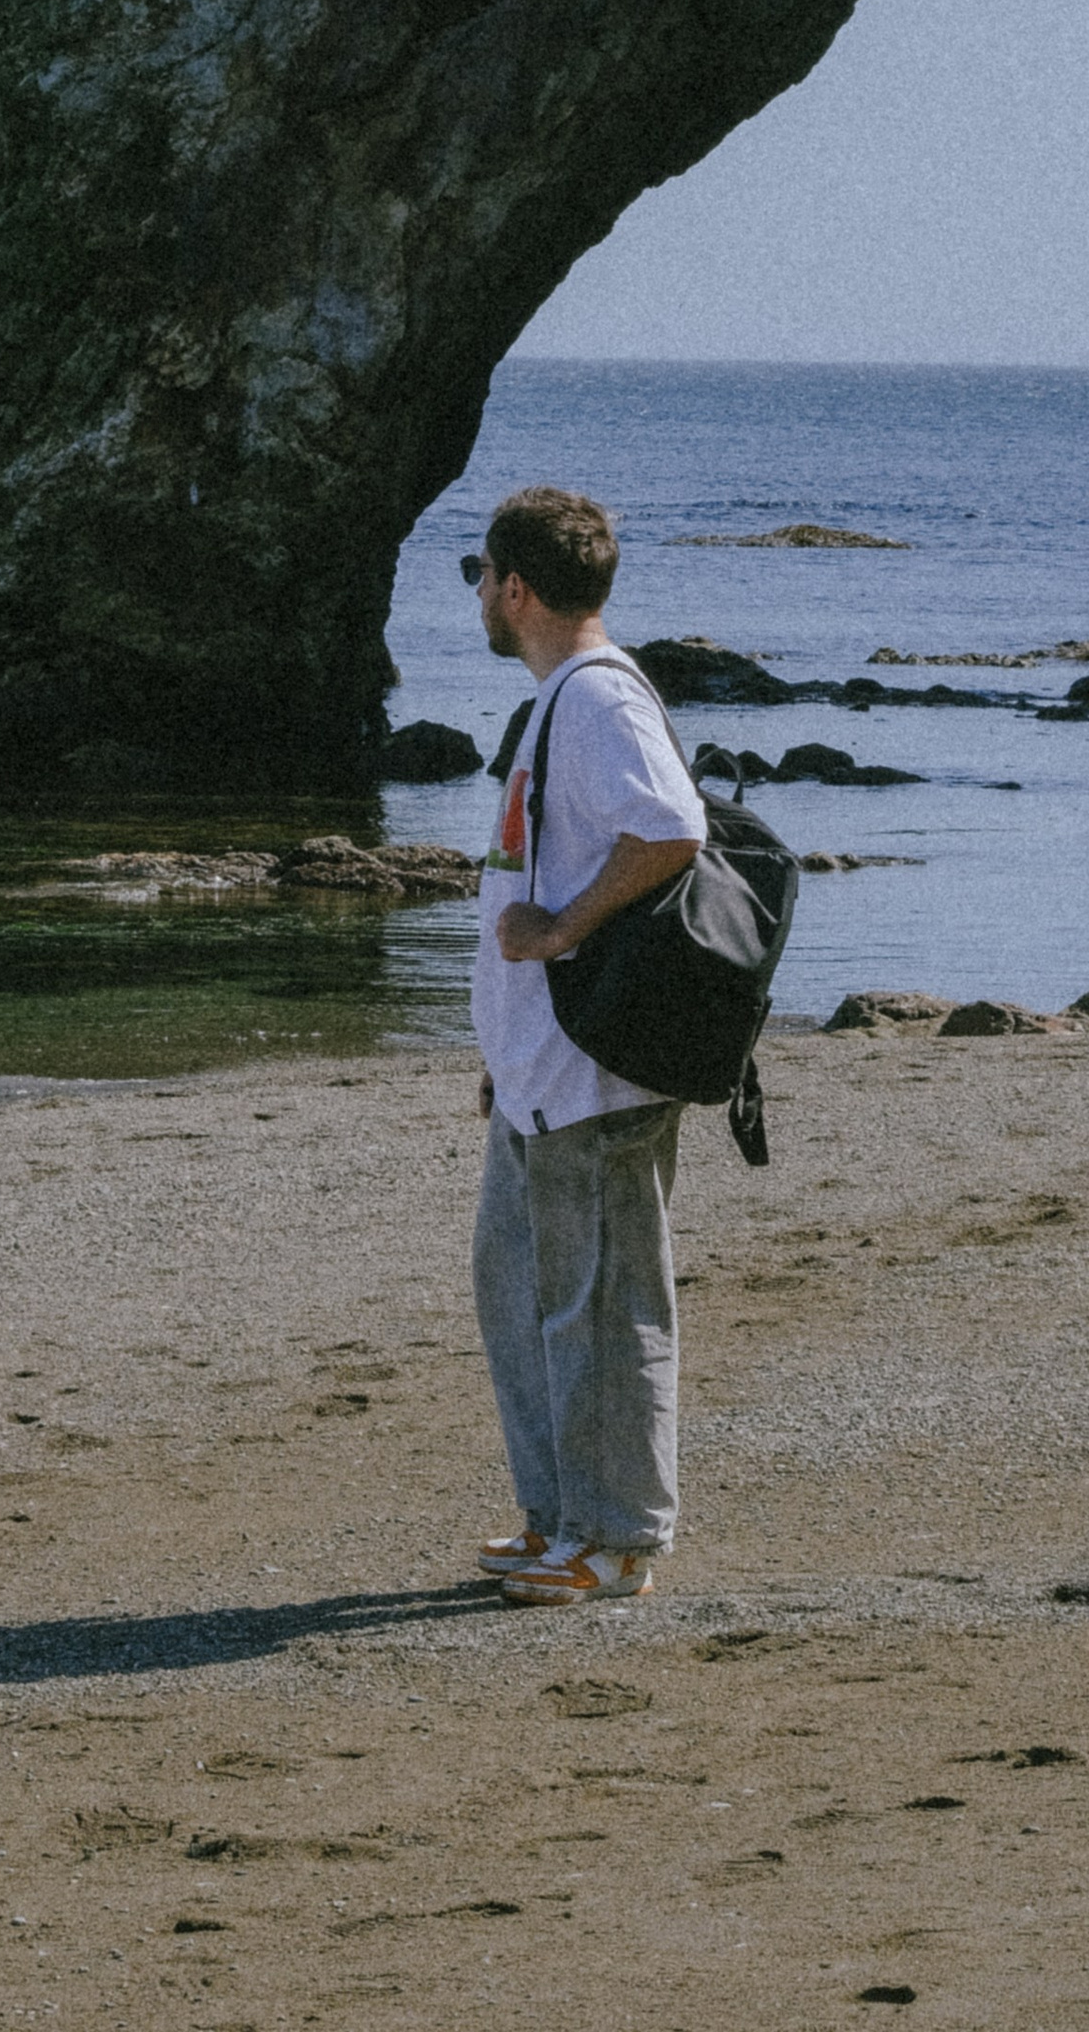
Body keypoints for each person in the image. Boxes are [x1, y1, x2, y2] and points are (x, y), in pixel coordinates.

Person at [464, 483, 706, 1606]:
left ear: (514, 588)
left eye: (481, 575)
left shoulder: (599, 698)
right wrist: (501, 1047)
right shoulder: (564, 698)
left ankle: (616, 1539)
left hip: (595, 1074)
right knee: (520, 1291)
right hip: (539, 1074)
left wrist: (562, 930)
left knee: (603, 1303)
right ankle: (560, 1515)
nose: (478, 595)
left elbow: (670, 825)